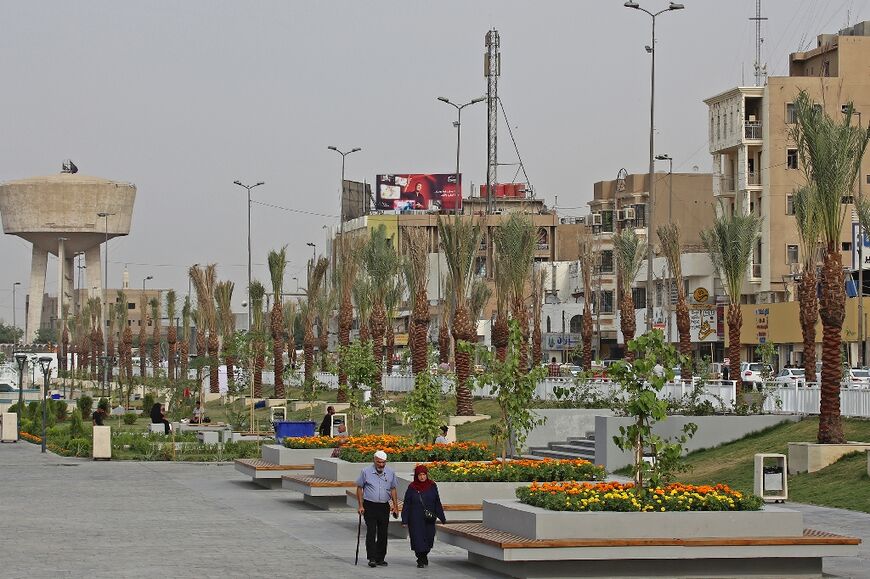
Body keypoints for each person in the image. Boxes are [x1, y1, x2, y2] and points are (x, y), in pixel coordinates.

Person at [355, 450, 399, 568]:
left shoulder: (390, 472)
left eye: (383, 462)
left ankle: (380, 558)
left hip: (384, 505)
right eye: (379, 462)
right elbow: (359, 488)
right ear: (374, 460)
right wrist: (360, 505)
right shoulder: (366, 472)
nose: (381, 465)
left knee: (383, 533)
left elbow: (393, 489)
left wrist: (395, 506)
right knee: (371, 531)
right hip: (370, 505)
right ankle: (372, 558)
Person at [401, 464, 447, 568]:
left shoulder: (432, 485)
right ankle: (420, 559)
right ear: (416, 476)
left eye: (424, 474)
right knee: (418, 539)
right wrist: (404, 520)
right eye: (420, 475)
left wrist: (442, 517)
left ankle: (424, 555)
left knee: (429, 538)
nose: (422, 477)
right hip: (415, 518)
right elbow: (407, 503)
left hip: (429, 518)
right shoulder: (412, 487)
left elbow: (437, 501)